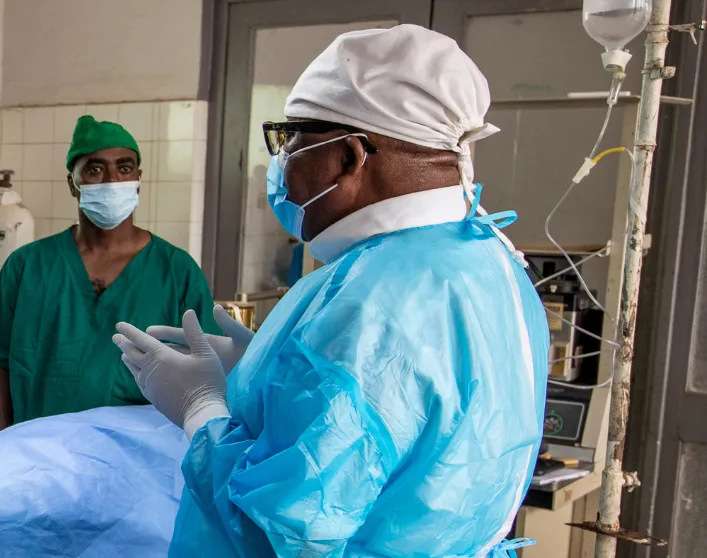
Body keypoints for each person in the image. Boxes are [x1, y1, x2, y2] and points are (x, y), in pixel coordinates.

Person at [112, 25, 547, 557]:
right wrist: (264, 380)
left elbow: (278, 536)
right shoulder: (485, 256)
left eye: (293, 138)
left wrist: (201, 409)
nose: (283, 162)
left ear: (351, 155)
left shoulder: (371, 303)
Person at [0, 116, 218, 435]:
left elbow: (203, 381)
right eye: (95, 169)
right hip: (37, 457)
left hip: (137, 462)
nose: (112, 180)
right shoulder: (27, 266)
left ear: (138, 179)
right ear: (73, 183)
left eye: (124, 168)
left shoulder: (175, 271)